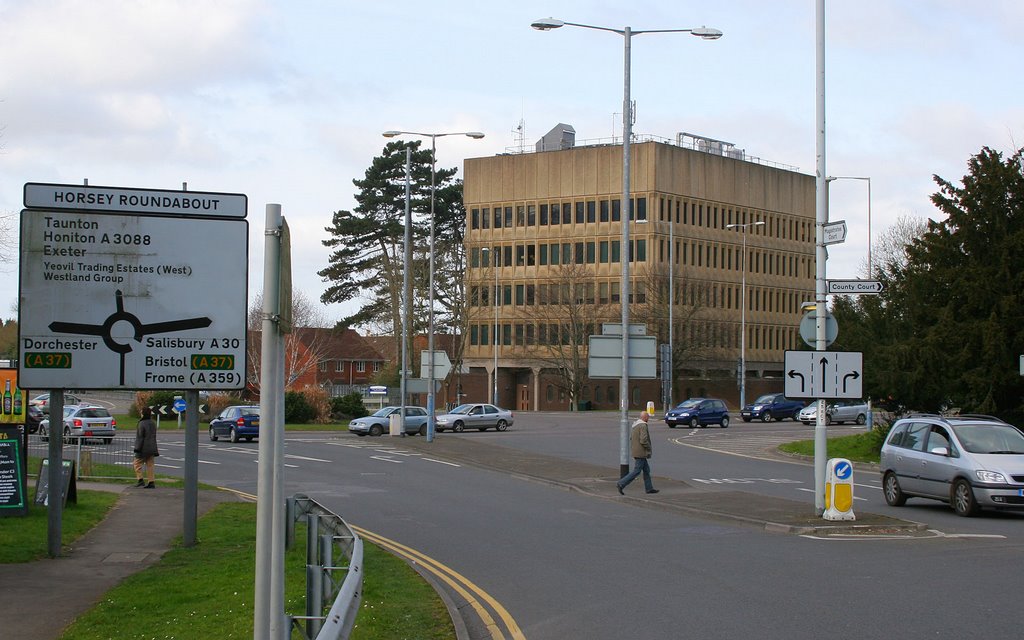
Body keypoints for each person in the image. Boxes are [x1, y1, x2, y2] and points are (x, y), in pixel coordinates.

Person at [617, 411, 659, 495]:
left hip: (637, 451)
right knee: (637, 471)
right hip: (641, 452)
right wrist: (648, 448)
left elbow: (631, 438)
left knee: (646, 470)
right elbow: (643, 440)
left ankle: (649, 488)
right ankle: (621, 483)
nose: (648, 418)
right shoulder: (643, 425)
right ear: (644, 417)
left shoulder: (635, 425)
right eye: (647, 417)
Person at [133, 407, 159, 488]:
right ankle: (151, 482)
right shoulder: (153, 423)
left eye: (141, 412)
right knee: (150, 465)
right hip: (152, 447)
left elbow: (140, 437)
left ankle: (140, 479)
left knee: (136, 464)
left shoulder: (142, 423)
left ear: (143, 413)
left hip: (143, 448)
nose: (140, 413)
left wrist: (137, 448)